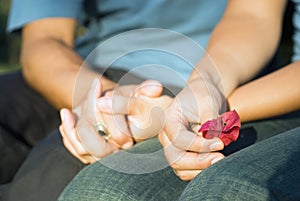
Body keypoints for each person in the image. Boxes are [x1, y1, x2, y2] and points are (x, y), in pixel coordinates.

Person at [1, 0, 300, 201]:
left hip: (183, 82)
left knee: (56, 171)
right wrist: (105, 102)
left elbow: (252, 15)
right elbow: (44, 39)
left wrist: (188, 101)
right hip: (95, 70)